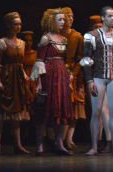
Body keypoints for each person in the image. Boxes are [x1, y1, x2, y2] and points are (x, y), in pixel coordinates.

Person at [80, 6, 113, 156]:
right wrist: (89, 81)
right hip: (98, 77)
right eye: (109, 16)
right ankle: (94, 147)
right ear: (103, 18)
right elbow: (87, 59)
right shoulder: (92, 35)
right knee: (96, 112)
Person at [31, 8, 75, 155]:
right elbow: (39, 61)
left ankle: (59, 142)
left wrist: (68, 77)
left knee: (62, 108)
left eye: (64, 19)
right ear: (52, 21)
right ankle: (39, 145)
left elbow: (64, 60)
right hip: (48, 75)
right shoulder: (46, 38)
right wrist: (38, 83)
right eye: (60, 19)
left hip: (61, 75)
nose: (63, 22)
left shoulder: (64, 39)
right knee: (44, 109)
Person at [0, 12, 32, 154]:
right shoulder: (2, 42)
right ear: (9, 25)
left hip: (18, 79)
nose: (18, 26)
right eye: (16, 24)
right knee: (2, 111)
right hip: (6, 77)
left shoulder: (22, 43)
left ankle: (18, 144)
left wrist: (25, 76)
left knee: (17, 111)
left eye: (20, 24)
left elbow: (21, 63)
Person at [61, 7, 86, 151]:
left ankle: (69, 138)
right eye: (67, 16)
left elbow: (81, 57)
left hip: (74, 73)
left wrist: (74, 73)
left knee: (74, 106)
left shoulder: (77, 36)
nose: (70, 19)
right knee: (62, 106)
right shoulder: (56, 35)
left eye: (72, 16)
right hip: (59, 71)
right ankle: (59, 138)